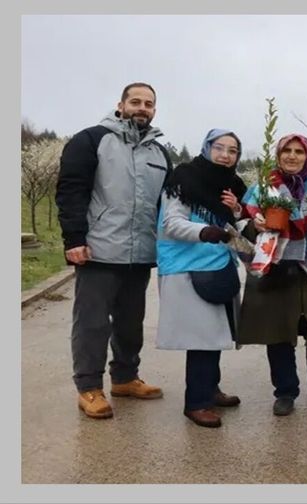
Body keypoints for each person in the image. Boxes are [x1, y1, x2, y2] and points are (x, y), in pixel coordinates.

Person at [56, 82, 170, 419]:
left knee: (131, 322)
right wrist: (74, 239)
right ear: (120, 105)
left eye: (148, 103)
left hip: (141, 253)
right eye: (135, 101)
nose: (142, 108)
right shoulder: (91, 140)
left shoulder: (159, 153)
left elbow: (167, 203)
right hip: (99, 251)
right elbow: (71, 190)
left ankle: (125, 377)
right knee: (92, 323)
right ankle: (89, 387)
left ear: (154, 110)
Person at [238, 134, 307, 416]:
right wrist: (254, 226)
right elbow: (242, 224)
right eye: (286, 150)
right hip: (278, 266)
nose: (292, 156)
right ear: (278, 155)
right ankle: (285, 391)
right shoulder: (262, 187)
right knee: (279, 331)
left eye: (299, 151)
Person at [156, 129, 247, 428]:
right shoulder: (183, 179)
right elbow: (172, 223)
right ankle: (196, 403)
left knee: (215, 333)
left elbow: (233, 222)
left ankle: (210, 388)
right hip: (187, 266)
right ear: (206, 148)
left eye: (232, 151)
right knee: (201, 338)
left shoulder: (231, 185)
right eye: (219, 147)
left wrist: (236, 209)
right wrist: (205, 231)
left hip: (218, 264)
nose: (225, 155)